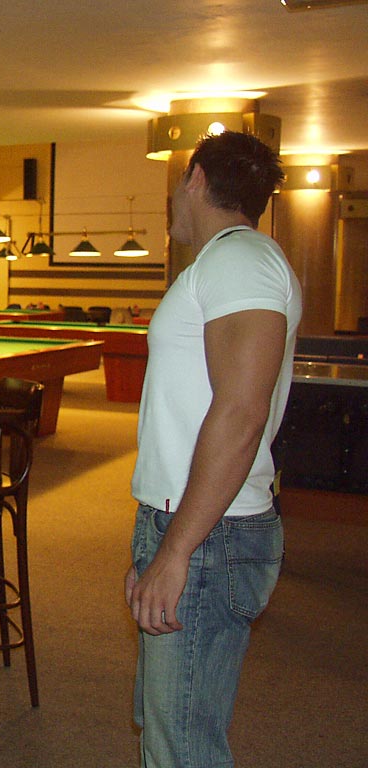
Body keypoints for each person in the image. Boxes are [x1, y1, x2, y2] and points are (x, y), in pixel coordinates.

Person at [124, 130, 302, 767]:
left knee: (183, 746)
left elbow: (242, 411)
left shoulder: (240, 260)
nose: (175, 197)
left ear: (196, 178)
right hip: (192, 522)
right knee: (166, 728)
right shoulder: (226, 263)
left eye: (179, 182)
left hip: (207, 533)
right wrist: (157, 539)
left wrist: (176, 550)